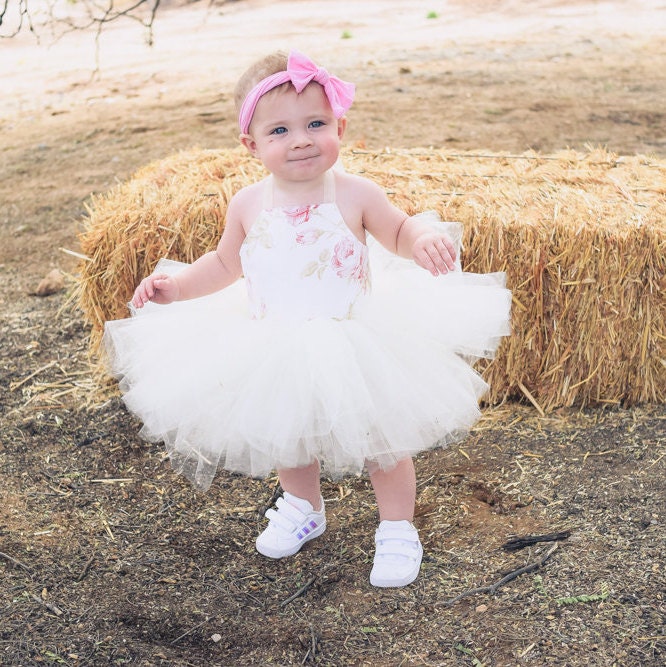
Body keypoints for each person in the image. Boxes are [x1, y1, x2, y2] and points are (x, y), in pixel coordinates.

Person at [104, 50, 511, 588]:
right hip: (277, 339)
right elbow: (226, 263)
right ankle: (304, 507)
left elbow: (397, 231)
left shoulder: (356, 193)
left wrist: (424, 238)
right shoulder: (247, 203)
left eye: (316, 124)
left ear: (340, 126)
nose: (300, 139)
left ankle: (396, 527)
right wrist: (176, 287)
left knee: (381, 440)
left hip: (354, 336)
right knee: (288, 433)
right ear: (251, 144)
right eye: (280, 130)